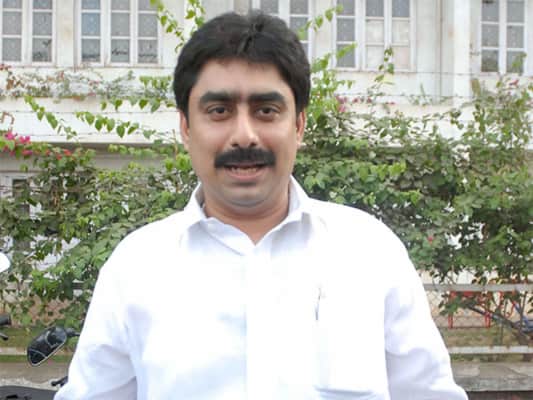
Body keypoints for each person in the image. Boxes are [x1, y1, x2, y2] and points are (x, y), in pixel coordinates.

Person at [56, 10, 468, 400]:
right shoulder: (136, 267)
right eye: (219, 110)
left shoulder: (370, 252)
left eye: (266, 110)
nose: (244, 135)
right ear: (185, 127)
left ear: (299, 125)